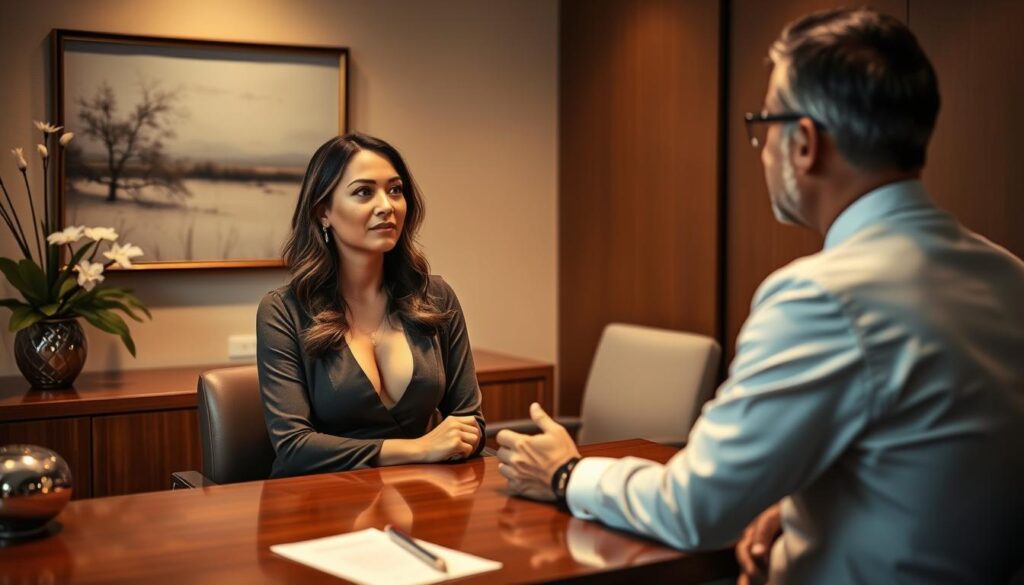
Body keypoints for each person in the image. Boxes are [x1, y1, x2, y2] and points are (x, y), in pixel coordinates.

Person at [496, 8, 1024, 585]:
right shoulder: (1008, 276)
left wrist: (567, 474)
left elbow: (694, 508)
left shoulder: (820, 296)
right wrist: (796, 505)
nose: (762, 147)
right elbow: (929, 465)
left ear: (804, 143)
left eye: (765, 122)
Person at [257, 132, 484, 478]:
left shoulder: (436, 297)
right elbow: (293, 447)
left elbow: (471, 422)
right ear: (323, 212)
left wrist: (460, 439)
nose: (387, 206)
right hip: (318, 503)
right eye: (364, 192)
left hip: (422, 496)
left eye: (395, 190)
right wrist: (419, 448)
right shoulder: (283, 311)